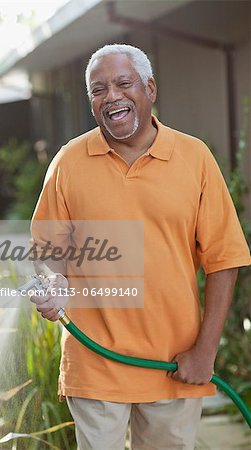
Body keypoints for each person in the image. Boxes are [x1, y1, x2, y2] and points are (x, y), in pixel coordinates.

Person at [30, 44, 251, 450]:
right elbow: (47, 248)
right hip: (94, 363)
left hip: (173, 363)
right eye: (98, 90)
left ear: (150, 88)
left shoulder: (194, 157)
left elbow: (225, 259)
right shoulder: (68, 162)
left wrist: (205, 352)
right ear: (91, 103)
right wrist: (53, 282)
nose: (111, 96)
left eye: (122, 83)